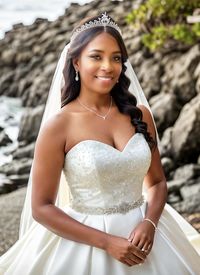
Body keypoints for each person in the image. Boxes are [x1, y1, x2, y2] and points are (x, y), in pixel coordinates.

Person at [0, 12, 200, 275]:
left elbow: (157, 182)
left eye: (116, 58)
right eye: (96, 56)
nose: (108, 66)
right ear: (76, 62)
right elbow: (41, 207)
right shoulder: (59, 125)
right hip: (85, 243)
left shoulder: (140, 115)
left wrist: (150, 223)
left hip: (147, 237)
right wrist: (107, 243)